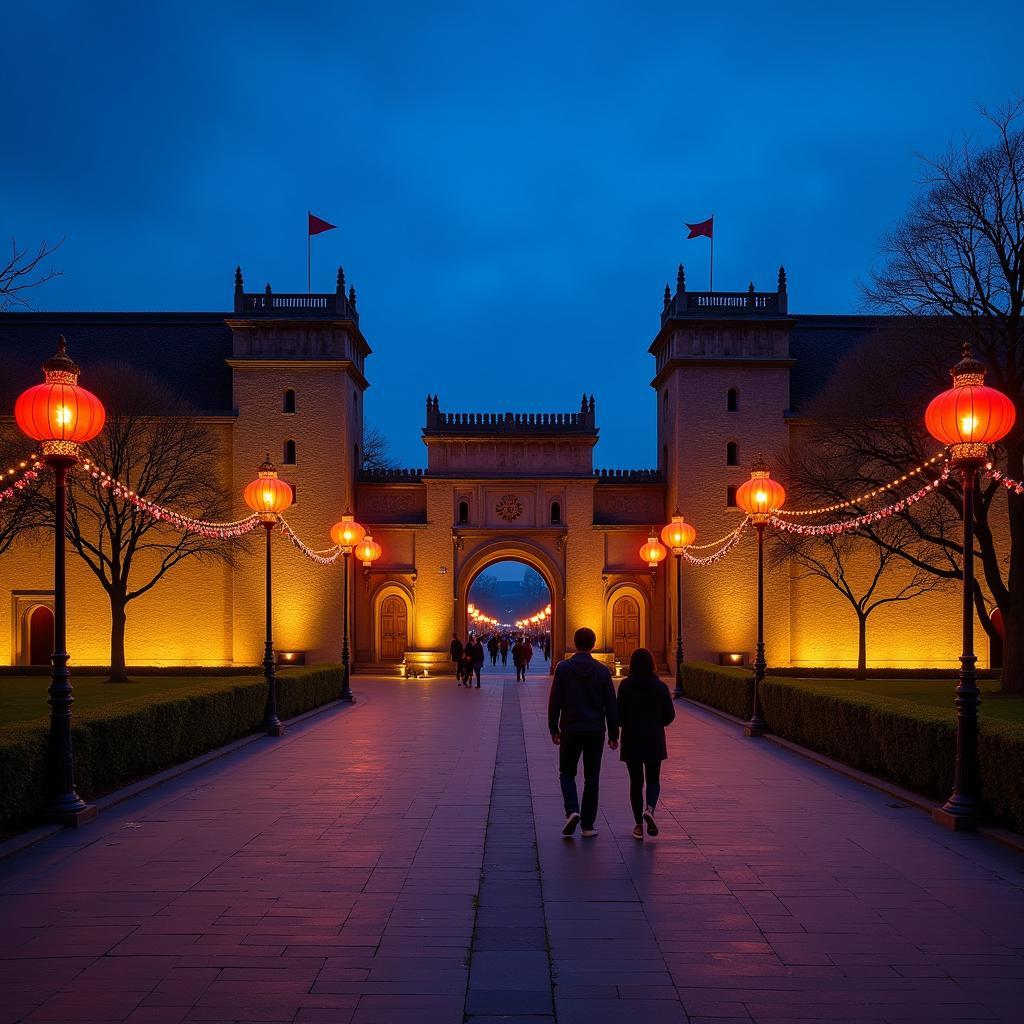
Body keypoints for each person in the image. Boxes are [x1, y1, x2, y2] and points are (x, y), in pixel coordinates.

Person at [548, 626, 618, 838]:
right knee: (592, 777)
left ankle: (572, 810)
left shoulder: (563, 669)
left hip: (571, 728)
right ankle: (588, 825)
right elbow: (611, 705)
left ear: (575, 643)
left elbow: (555, 702)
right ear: (593, 644)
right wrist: (614, 733)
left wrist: (554, 728)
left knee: (567, 773)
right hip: (595, 730)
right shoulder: (602, 671)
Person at [616, 647, 676, 839]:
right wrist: (657, 723)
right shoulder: (660, 687)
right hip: (654, 739)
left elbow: (618, 717)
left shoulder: (625, 687)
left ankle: (638, 826)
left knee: (635, 782)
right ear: (652, 665)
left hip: (632, 739)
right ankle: (649, 808)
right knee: (653, 779)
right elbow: (670, 716)